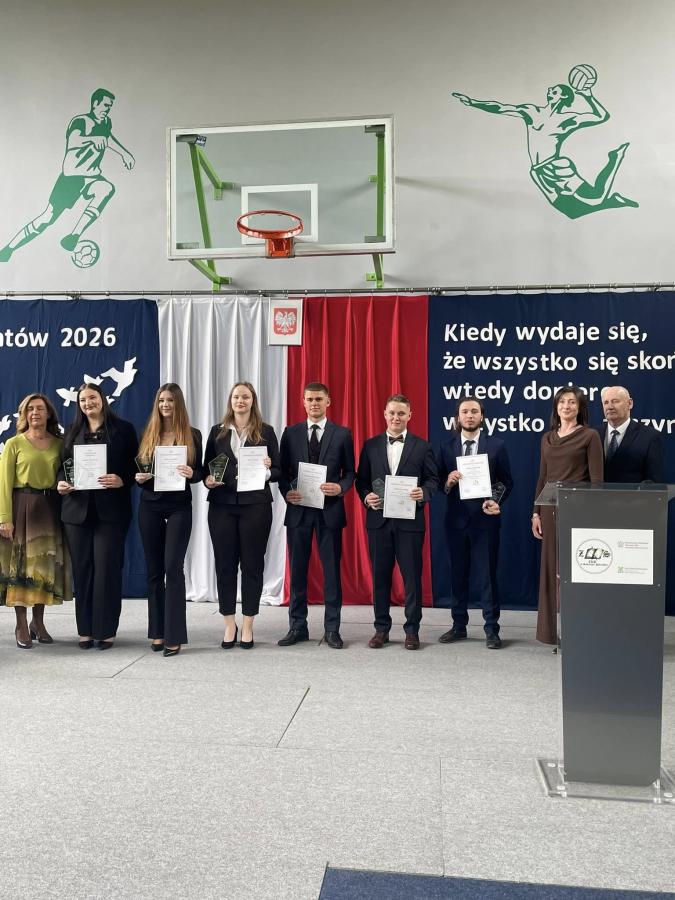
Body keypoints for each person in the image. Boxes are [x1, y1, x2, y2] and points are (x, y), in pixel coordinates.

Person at [452, 78, 637, 219]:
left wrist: (587, 94)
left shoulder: (568, 119)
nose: (550, 91)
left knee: (595, 197)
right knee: (572, 213)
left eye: (554, 91)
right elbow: (500, 108)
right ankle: (613, 201)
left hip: (556, 166)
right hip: (537, 170)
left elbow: (601, 116)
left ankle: (615, 158)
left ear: (563, 96)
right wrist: (473, 102)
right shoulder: (531, 111)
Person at [0, 88, 135, 262]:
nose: (107, 110)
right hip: (71, 179)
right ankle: (9, 249)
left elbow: (107, 138)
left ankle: (73, 236)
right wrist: (93, 138)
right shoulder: (80, 121)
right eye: (105, 105)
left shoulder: (106, 122)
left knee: (106, 188)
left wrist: (124, 153)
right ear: (95, 103)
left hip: (91, 176)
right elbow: (73, 141)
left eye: (110, 107)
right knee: (47, 218)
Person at [57, 383, 138, 649]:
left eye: (92, 397)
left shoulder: (124, 430)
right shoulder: (71, 431)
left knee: (107, 570)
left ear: (102, 399)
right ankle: (85, 630)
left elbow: (136, 466)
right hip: (76, 511)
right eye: (83, 400)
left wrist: (123, 479)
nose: (88, 403)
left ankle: (105, 630)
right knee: (83, 571)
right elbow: (63, 467)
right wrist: (61, 483)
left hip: (111, 511)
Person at [356, 394, 438, 650]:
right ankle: (381, 629)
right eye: (392, 413)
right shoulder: (370, 446)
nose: (396, 417)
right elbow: (361, 480)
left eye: (401, 413)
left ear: (409, 416)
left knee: (412, 579)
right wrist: (366, 496)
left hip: (410, 523)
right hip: (378, 522)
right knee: (380, 578)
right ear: (384, 414)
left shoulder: (423, 447)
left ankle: (412, 631)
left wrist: (424, 492)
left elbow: (433, 480)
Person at [279, 382, 355, 649]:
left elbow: (351, 473)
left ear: (328, 402)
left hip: (329, 512)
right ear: (303, 402)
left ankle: (332, 629)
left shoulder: (342, 434)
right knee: (297, 571)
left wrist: (341, 488)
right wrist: (287, 492)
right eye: (310, 399)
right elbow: (282, 473)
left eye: (319, 399)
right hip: (298, 511)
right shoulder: (290, 433)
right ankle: (297, 627)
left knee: (331, 573)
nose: (314, 403)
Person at [204, 382, 280, 649]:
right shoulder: (217, 432)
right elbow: (206, 469)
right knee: (225, 565)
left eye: (245, 397)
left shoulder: (266, 432)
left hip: (256, 506)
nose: (240, 401)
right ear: (230, 401)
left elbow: (279, 471)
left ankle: (248, 624)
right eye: (236, 396)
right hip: (222, 506)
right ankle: (229, 624)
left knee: (252, 565)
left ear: (252, 401)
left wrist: (268, 470)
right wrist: (208, 480)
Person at [436, 396, 513, 649]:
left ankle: (491, 629)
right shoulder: (446, 448)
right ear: (458, 418)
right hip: (456, 522)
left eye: (474, 411)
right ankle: (459, 626)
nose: (469, 415)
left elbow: (506, 482)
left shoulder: (497, 446)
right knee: (457, 576)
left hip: (485, 521)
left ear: (482, 416)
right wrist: (448, 481)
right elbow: (437, 482)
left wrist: (495, 499)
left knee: (487, 577)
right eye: (465, 411)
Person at [531, 386, 603, 646]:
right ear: (556, 407)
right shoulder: (547, 438)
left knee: (576, 571)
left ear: (580, 407)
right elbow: (542, 477)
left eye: (572, 402)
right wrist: (535, 513)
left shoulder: (590, 436)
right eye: (562, 402)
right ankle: (550, 633)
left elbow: (597, 481)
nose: (566, 406)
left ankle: (579, 630)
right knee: (551, 571)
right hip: (549, 511)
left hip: (578, 512)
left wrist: (591, 516)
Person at [135, 384, 203, 657]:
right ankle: (158, 632)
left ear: (178, 404)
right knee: (154, 571)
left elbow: (200, 473)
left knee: (173, 567)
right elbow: (138, 472)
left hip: (179, 507)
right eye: (162, 400)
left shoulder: (193, 435)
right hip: (150, 506)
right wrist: (139, 478)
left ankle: (174, 634)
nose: (165, 404)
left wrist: (191, 473)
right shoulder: (148, 434)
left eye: (170, 400)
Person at [0, 394, 71, 648]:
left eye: (40, 408)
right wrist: (4, 518)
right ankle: (21, 624)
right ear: (24, 414)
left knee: (43, 567)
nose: (35, 413)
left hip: (49, 509)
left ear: (48, 413)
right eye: (30, 409)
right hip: (21, 506)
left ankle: (38, 622)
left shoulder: (60, 444)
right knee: (20, 568)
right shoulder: (14, 443)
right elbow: (4, 483)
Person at [597, 386, 665, 483]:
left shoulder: (650, 437)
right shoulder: (594, 434)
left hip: (633, 493)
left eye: (615, 401)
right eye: (606, 402)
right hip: (598, 493)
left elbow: (654, 482)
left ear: (630, 403)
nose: (610, 407)